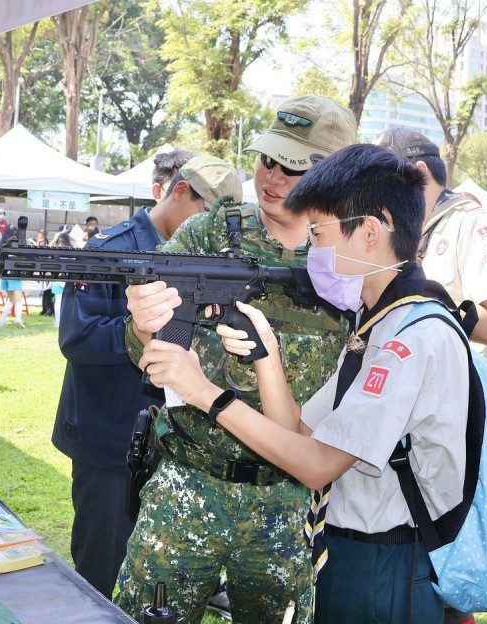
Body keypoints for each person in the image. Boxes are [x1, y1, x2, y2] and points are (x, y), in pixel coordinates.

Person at [138, 144, 468, 624]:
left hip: (393, 561)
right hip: (349, 549)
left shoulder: (410, 338)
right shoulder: (377, 324)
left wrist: (205, 393)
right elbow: (299, 431)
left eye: (319, 233)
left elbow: (316, 466)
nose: (312, 250)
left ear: (371, 231)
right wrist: (266, 355)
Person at [115, 95, 357, 624]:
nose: (271, 176)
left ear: (331, 176)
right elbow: (149, 353)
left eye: (291, 167)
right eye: (267, 159)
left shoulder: (348, 263)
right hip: (186, 483)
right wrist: (143, 325)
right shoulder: (208, 232)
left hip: (282, 502)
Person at [53, 155, 243, 599]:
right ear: (179, 191)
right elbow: (77, 338)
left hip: (177, 444)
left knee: (161, 579)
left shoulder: (206, 256)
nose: (210, 231)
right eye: (204, 213)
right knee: (103, 572)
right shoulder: (109, 250)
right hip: (111, 441)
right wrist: (139, 334)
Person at [374, 129, 487, 371]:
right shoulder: (406, 228)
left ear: (421, 171)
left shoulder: (474, 223)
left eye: (387, 178)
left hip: (462, 394)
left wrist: (409, 301)